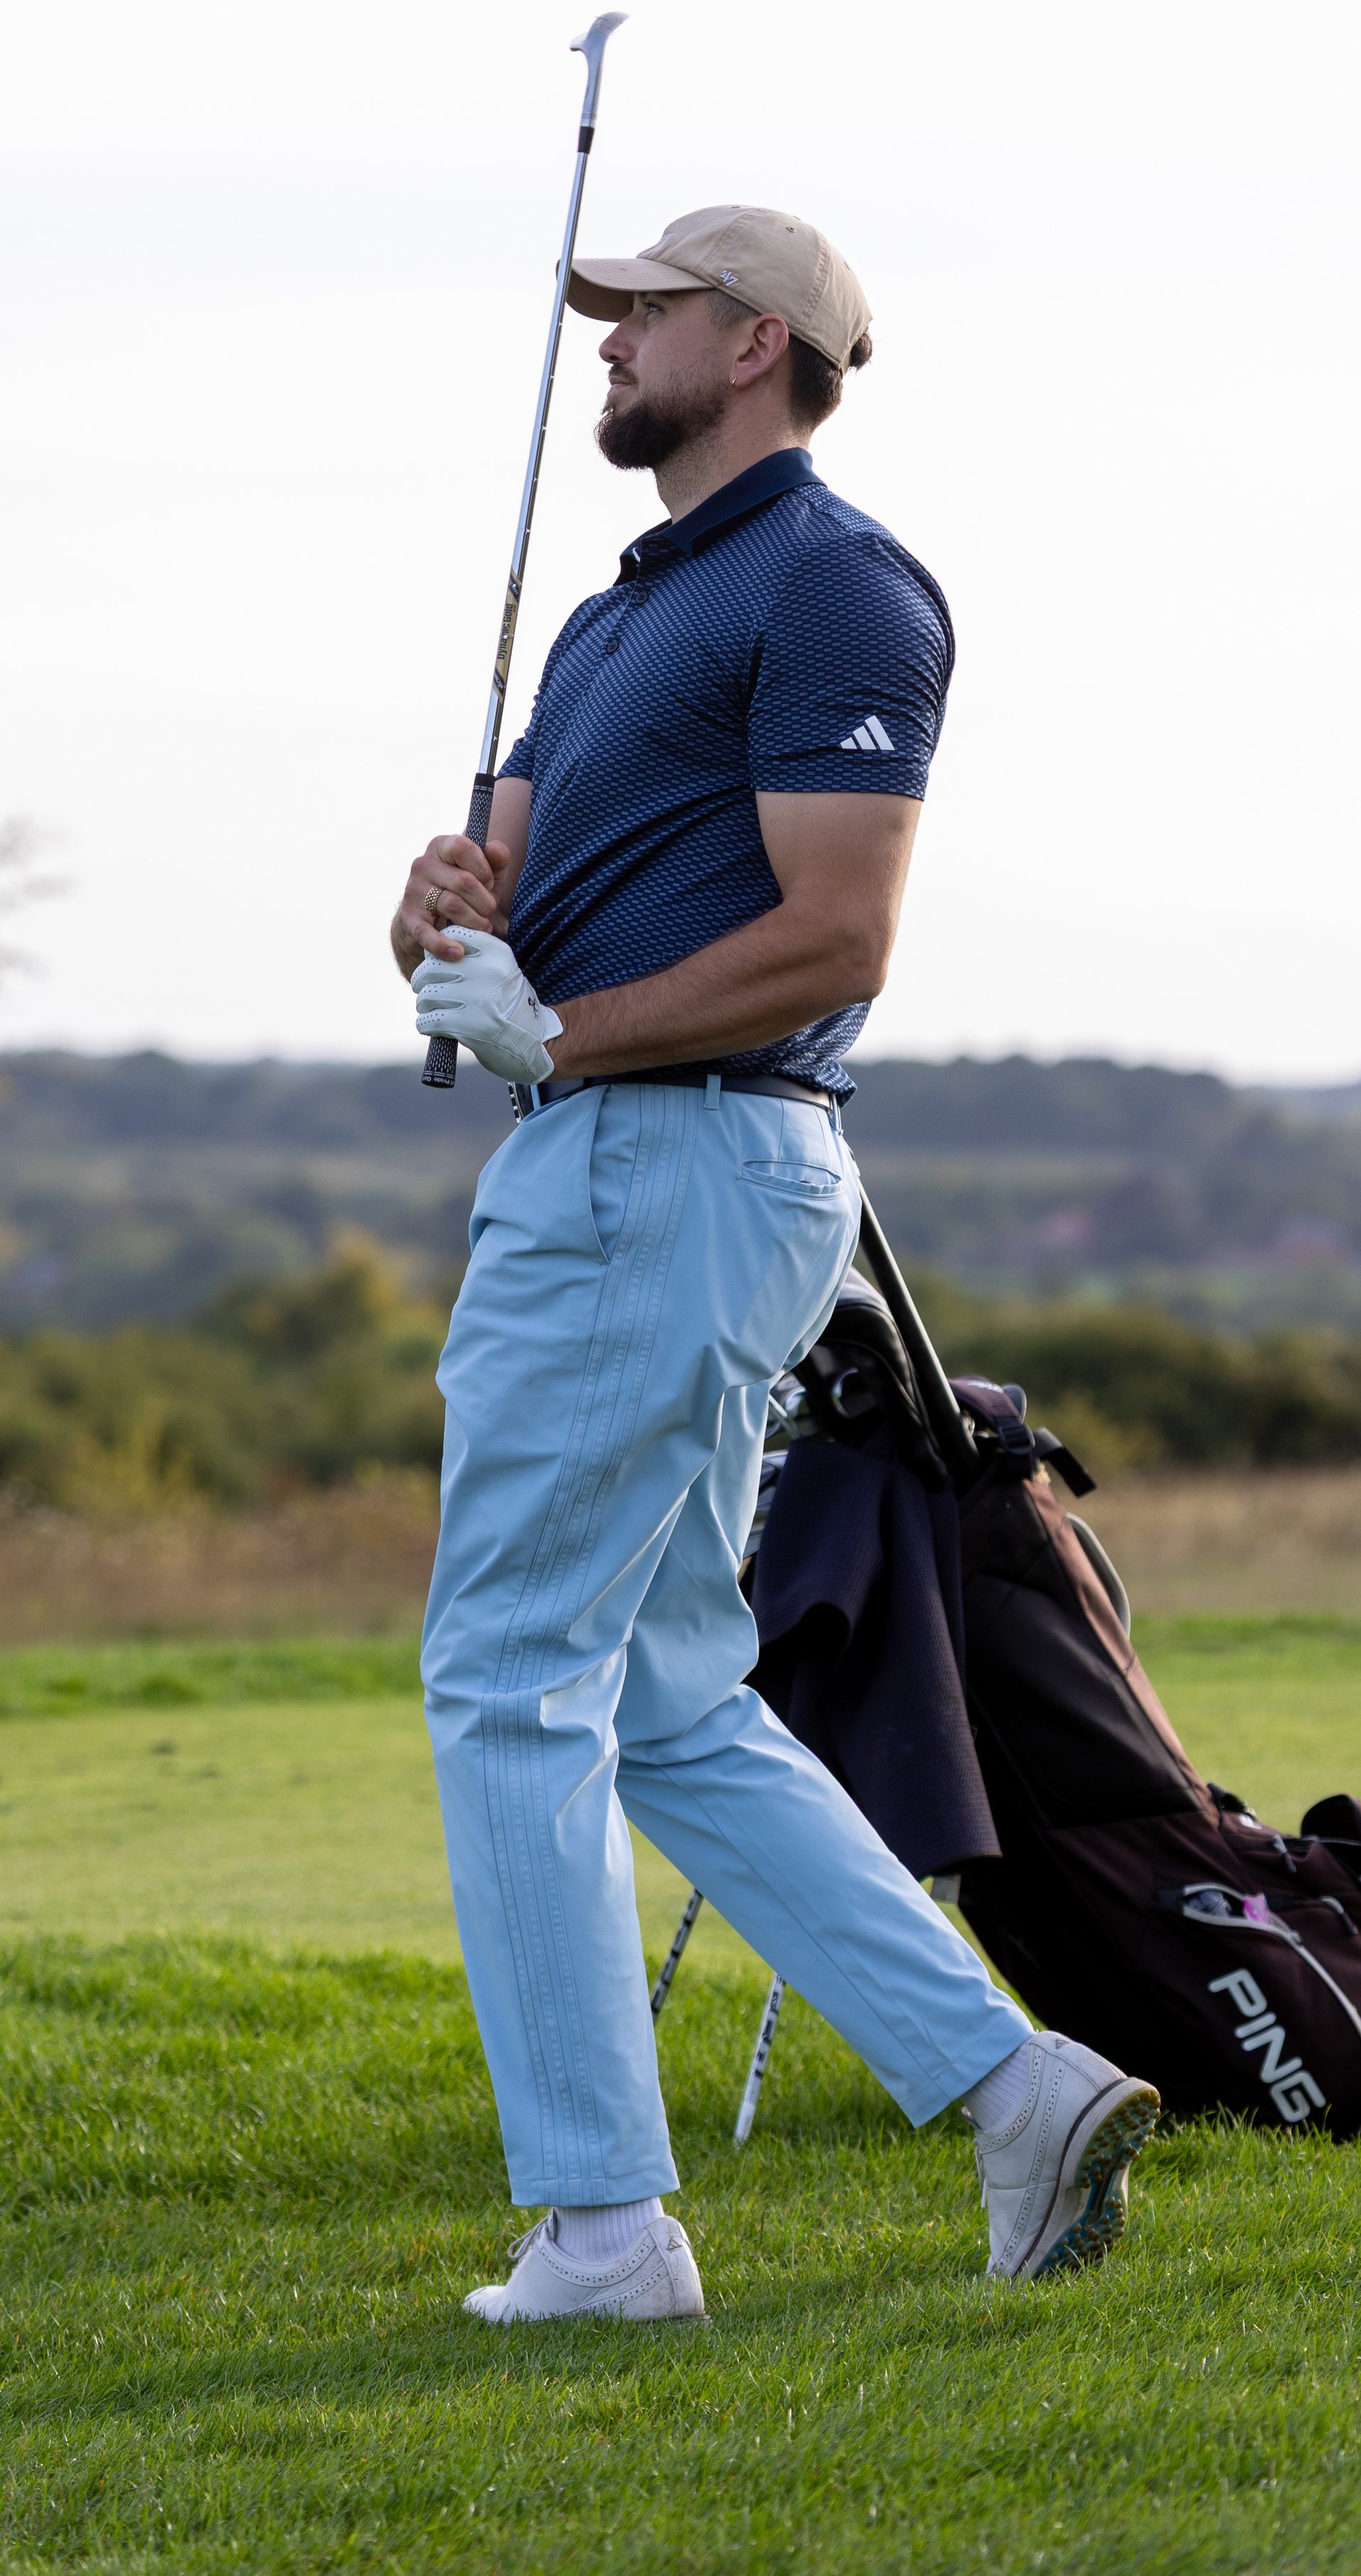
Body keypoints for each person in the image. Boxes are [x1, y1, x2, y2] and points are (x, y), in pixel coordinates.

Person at [391, 206, 1157, 2321]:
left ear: (754, 343)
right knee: (658, 1692)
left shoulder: (837, 583)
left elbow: (836, 935)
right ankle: (1014, 2087)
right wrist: (445, 909)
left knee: (509, 1678)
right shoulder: (612, 614)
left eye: (645, 310)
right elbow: (508, 902)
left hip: (671, 1163)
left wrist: (558, 1036)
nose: (608, 340)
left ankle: (604, 2232)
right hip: (624, 1162)